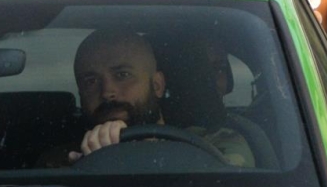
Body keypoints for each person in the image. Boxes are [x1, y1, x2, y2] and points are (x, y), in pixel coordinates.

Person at [68, 29, 255, 166]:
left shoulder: (215, 146)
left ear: (157, 85)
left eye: (122, 75)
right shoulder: (64, 160)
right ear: (80, 95)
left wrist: (116, 156)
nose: (107, 92)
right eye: (91, 81)